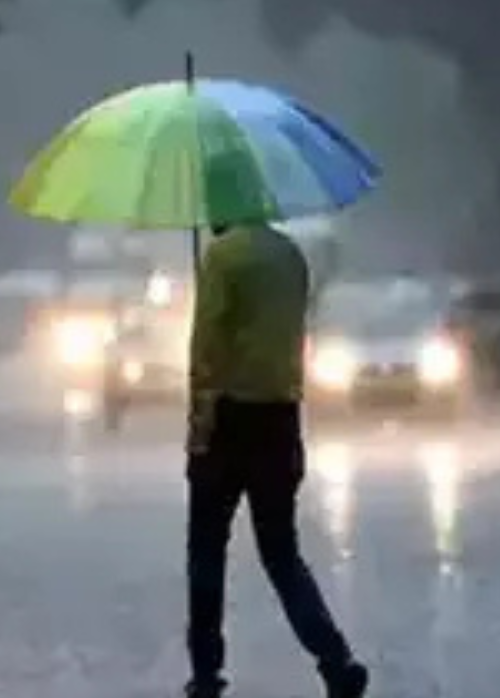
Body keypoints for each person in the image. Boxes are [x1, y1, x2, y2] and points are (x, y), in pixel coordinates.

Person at [185, 222, 367, 698]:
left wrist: (199, 426)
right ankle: (336, 660)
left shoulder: (222, 258)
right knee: (282, 554)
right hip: (281, 420)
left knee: (206, 553)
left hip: (228, 420)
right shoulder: (290, 256)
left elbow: (208, 349)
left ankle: (206, 675)